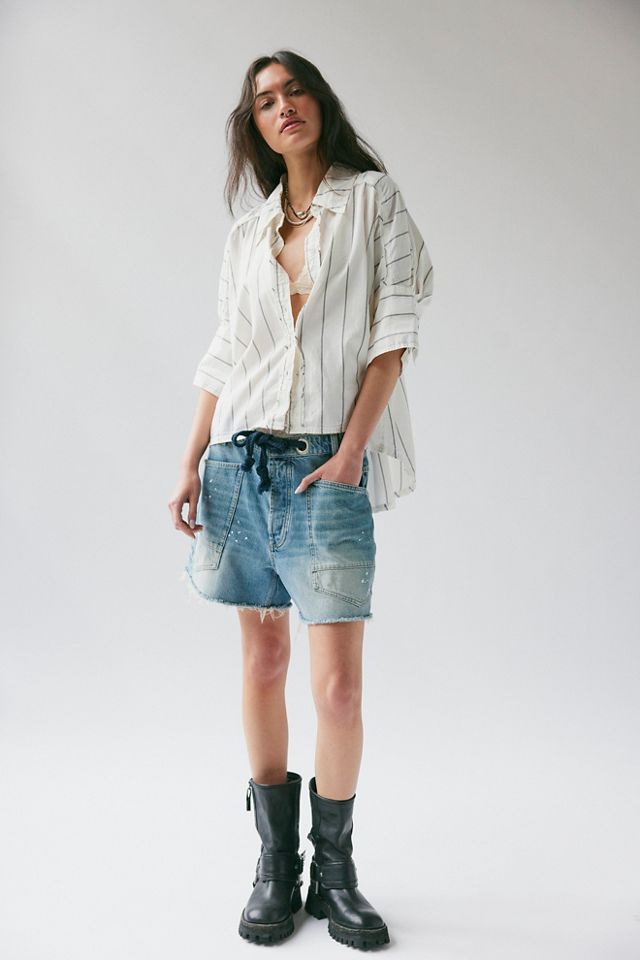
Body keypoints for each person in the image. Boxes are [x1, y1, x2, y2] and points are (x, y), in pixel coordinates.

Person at [168, 50, 434, 950]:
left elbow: (393, 335)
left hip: (327, 467)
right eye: (265, 101)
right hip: (240, 465)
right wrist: (190, 459)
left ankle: (338, 872)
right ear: (255, 126)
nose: (283, 106)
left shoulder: (373, 201)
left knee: (340, 688)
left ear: (320, 101)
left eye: (295, 90)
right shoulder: (248, 232)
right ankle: (275, 867)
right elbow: (227, 350)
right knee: (264, 664)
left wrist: (352, 453)